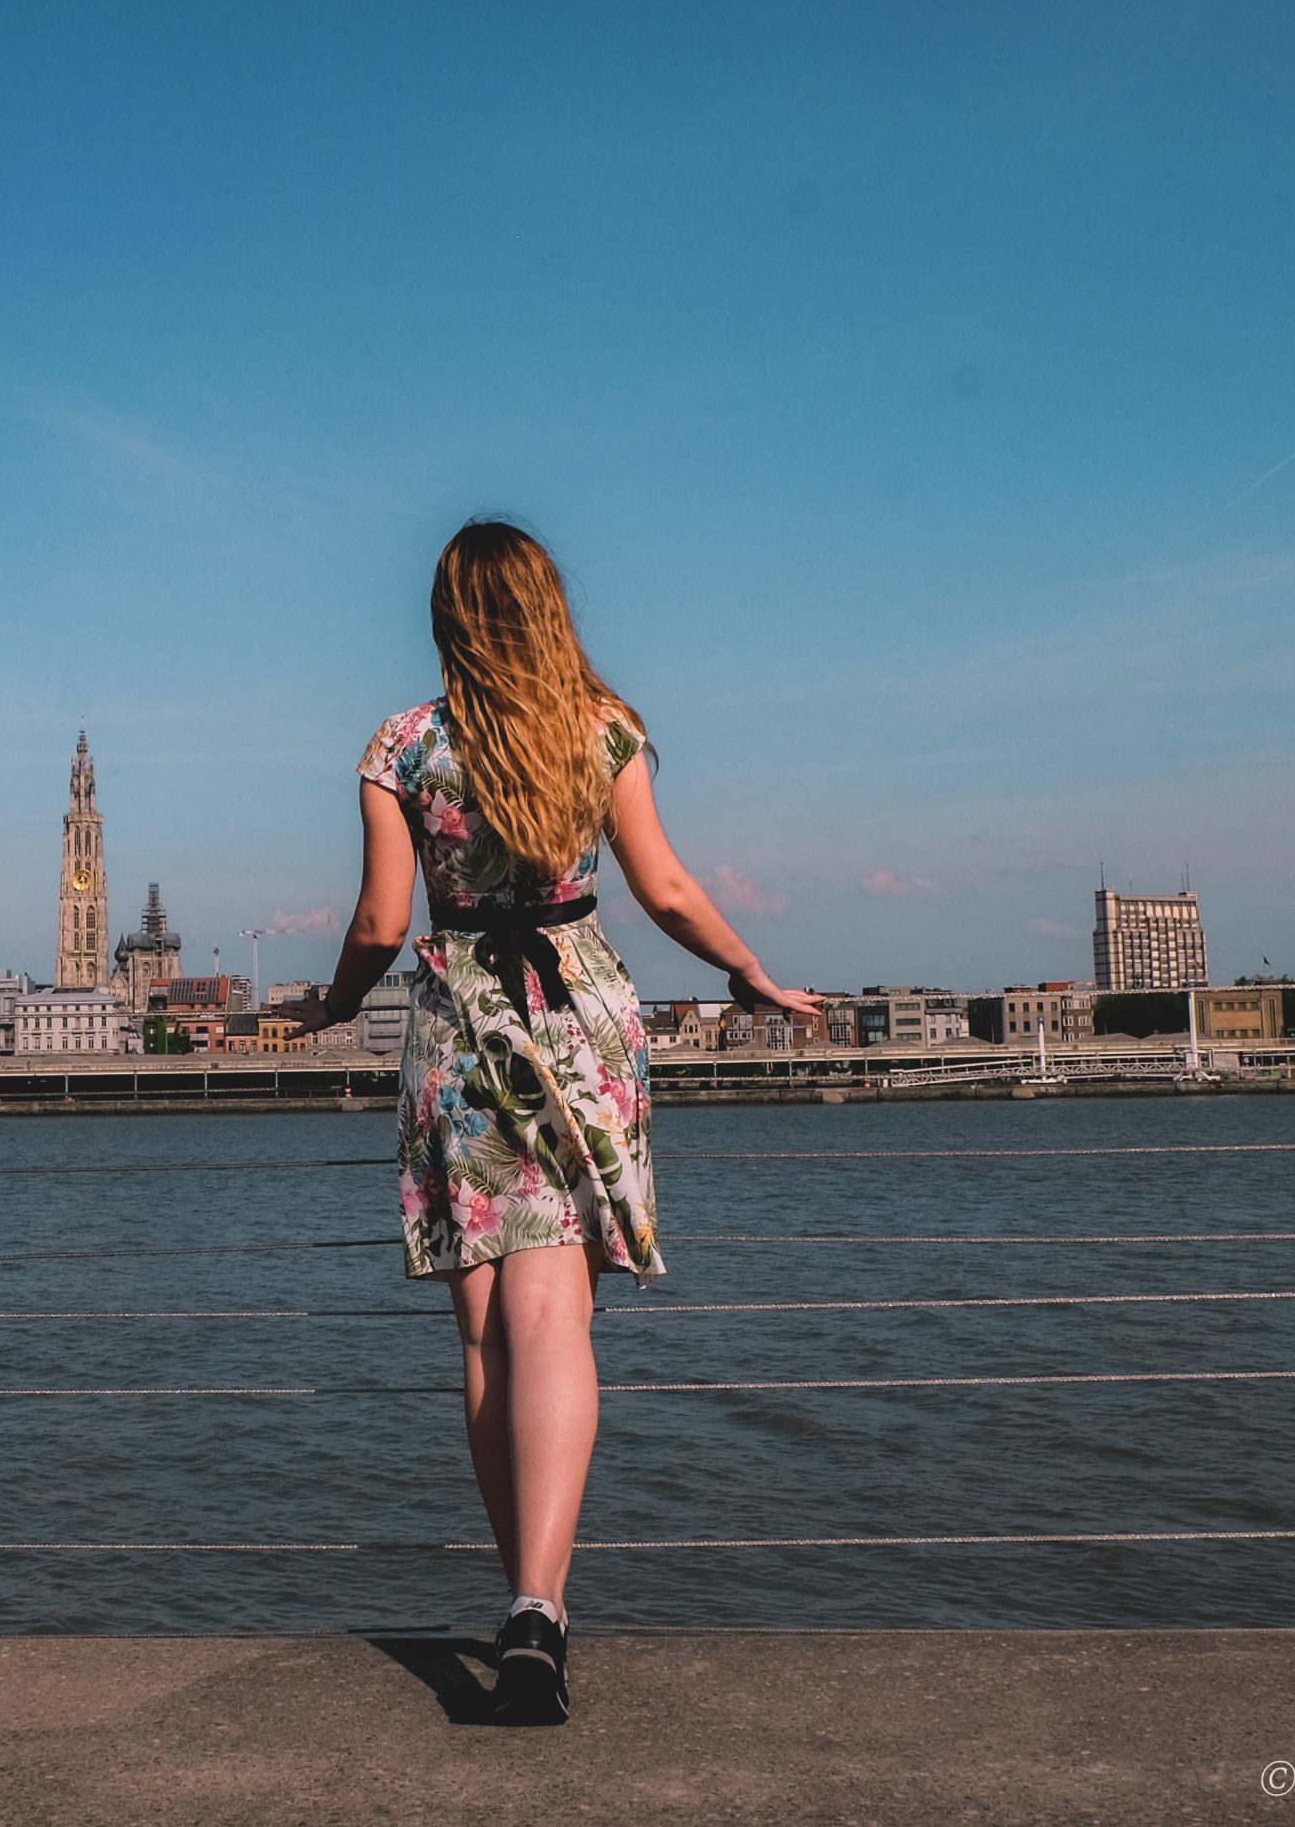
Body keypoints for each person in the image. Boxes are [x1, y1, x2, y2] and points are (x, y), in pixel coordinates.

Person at [298, 518, 822, 1724]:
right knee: (554, 1314)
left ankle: (520, 1597)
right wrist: (747, 970)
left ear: (446, 617)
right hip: (580, 1014)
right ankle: (541, 1604)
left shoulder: (402, 742)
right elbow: (669, 887)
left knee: (486, 1329)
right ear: (547, 608)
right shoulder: (603, 726)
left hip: (464, 1022)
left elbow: (382, 924)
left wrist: (328, 1008)